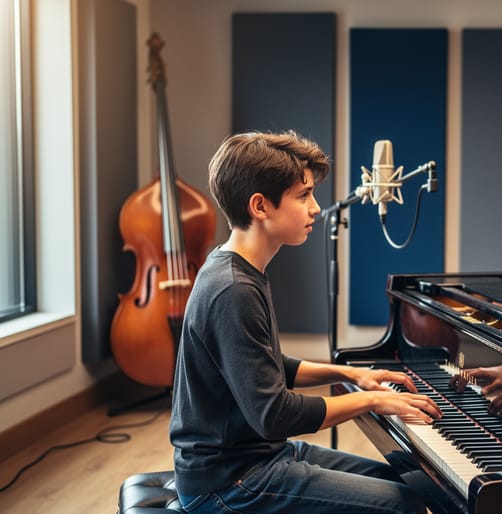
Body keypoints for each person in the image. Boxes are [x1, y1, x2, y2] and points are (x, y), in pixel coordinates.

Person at [169, 130, 442, 514]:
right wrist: (374, 400)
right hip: (227, 481)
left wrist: (351, 376)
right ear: (260, 206)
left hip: (258, 458)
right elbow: (273, 415)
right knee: (403, 504)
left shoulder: (235, 268)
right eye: (304, 195)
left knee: (409, 480)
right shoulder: (233, 289)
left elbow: (267, 368)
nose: (316, 208)